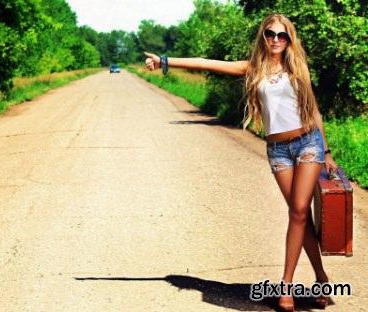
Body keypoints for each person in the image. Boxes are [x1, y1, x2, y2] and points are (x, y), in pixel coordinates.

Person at [144, 13, 338, 312]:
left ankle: (285, 285)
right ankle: (322, 278)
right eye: (270, 34)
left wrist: (326, 152)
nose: (275, 39)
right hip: (278, 150)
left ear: (289, 40)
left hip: (308, 143)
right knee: (300, 216)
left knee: (299, 211)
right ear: (263, 37)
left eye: (282, 35)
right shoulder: (252, 70)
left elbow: (314, 111)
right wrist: (166, 61)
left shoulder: (297, 67)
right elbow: (206, 62)